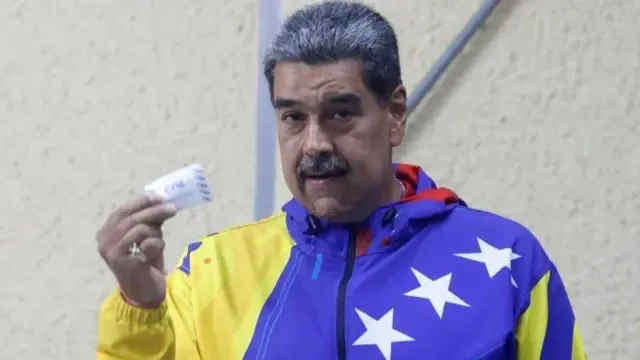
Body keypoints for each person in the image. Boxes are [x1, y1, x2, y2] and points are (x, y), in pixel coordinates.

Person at [95, 1, 588, 359]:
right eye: (292, 118)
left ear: (394, 113)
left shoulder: (505, 260)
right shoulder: (211, 270)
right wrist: (141, 303)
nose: (314, 144)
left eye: (340, 113)